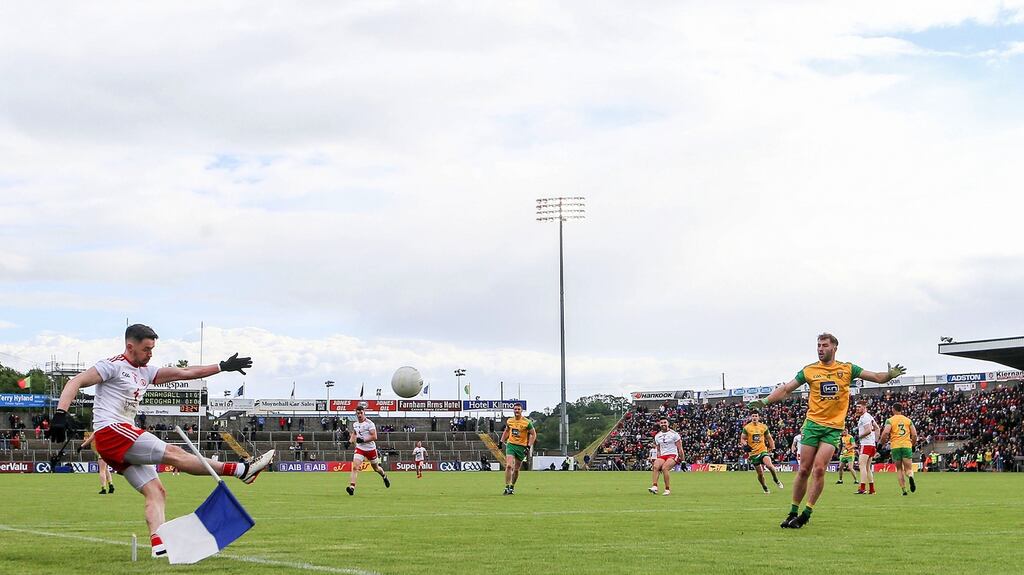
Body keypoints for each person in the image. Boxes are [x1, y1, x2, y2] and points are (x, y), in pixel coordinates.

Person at [48, 324, 275, 558]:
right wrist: (60, 414)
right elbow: (74, 381)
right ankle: (240, 470)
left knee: (156, 491)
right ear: (130, 346)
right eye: (146, 349)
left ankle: (159, 546)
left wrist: (221, 367)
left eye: (152, 349)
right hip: (113, 432)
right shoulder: (112, 366)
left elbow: (185, 373)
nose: (150, 354)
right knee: (174, 453)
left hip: (116, 440)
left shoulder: (146, 372)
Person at [748, 332, 905, 529]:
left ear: (834, 348)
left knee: (820, 469)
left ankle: (806, 513)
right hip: (812, 425)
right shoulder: (810, 370)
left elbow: (875, 376)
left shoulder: (847, 369)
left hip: (833, 429)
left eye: (824, 345)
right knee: (804, 470)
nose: (820, 349)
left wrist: (888, 376)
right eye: (818, 346)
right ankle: (793, 512)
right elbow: (787, 388)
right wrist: (765, 401)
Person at [346, 405, 390, 495]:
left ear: (364, 413)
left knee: (376, 468)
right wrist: (349, 442)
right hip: (360, 448)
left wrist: (363, 440)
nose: (359, 415)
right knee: (355, 467)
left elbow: (374, 436)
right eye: (358, 413)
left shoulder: (369, 424)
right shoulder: (355, 424)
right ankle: (352, 487)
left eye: (361, 413)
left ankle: (384, 476)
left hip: (370, 449)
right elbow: (354, 433)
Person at [878, 403, 918, 496]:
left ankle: (904, 490)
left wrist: (880, 444)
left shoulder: (890, 420)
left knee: (899, 469)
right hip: (906, 445)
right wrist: (913, 445)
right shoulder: (908, 420)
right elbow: (915, 435)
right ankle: (910, 476)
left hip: (895, 446)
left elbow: (885, 433)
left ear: (893, 409)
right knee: (908, 469)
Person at [740, 412, 784, 494]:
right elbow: (742, 438)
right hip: (753, 453)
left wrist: (773, 448)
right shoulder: (747, 427)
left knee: (769, 466)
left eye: (756, 416)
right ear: (751, 417)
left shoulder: (763, 427)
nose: (754, 417)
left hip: (762, 450)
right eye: (753, 416)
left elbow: (769, 438)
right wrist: (745, 444)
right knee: (760, 474)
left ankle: (776, 480)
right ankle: (764, 487)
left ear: (758, 417)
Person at [499, 403, 536, 495]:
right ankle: (507, 487)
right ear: (513, 410)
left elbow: (533, 434)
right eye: (515, 409)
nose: (517, 411)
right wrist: (501, 441)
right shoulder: (510, 421)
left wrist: (528, 446)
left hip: (521, 447)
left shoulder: (527, 422)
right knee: (509, 466)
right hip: (511, 445)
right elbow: (507, 431)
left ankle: (512, 486)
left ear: (521, 410)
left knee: (516, 469)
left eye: (518, 409)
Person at [648, 418, 683, 496]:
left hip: (673, 454)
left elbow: (680, 448)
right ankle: (654, 486)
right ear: (659, 424)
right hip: (663, 455)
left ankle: (667, 489)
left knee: (665, 468)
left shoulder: (674, 434)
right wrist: (658, 459)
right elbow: (658, 449)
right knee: (655, 466)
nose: (663, 424)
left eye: (665, 422)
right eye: (661, 423)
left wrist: (683, 460)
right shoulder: (657, 436)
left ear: (668, 424)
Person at [855, 400, 880, 494]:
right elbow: (877, 428)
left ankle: (862, 488)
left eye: (859, 407)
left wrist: (859, 436)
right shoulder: (869, 416)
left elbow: (868, 430)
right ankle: (872, 489)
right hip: (871, 445)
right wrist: (875, 441)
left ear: (864, 407)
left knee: (862, 466)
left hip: (866, 444)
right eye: (857, 407)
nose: (857, 409)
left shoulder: (864, 417)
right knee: (867, 467)